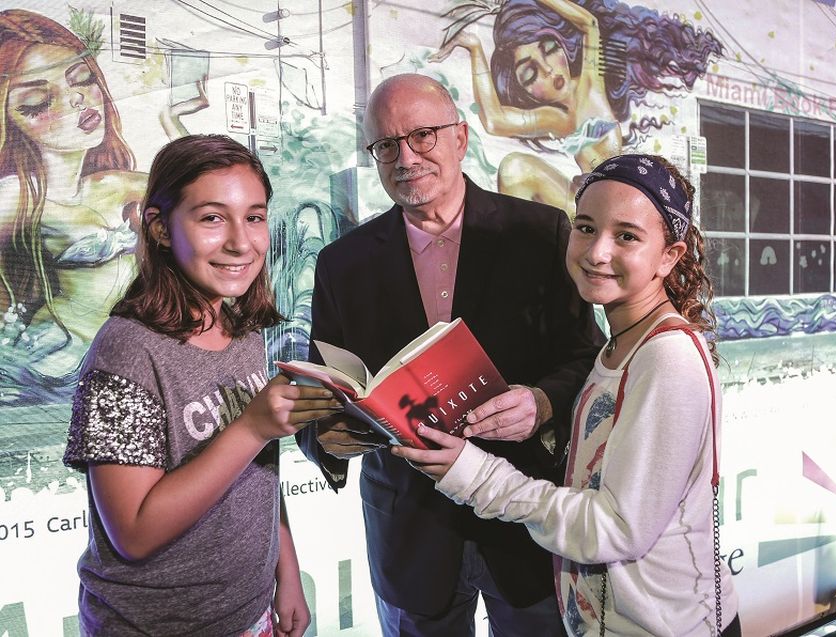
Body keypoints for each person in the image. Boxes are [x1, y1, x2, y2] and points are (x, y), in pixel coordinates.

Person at [296, 73, 602, 636]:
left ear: (461, 137)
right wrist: (328, 439)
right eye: (386, 144)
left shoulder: (540, 235)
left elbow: (587, 358)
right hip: (410, 535)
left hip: (524, 514)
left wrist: (541, 402)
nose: (405, 156)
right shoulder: (343, 263)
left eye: (422, 136)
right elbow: (322, 393)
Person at [394, 153, 741, 636]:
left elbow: (615, 528)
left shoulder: (667, 358)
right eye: (585, 227)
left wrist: (472, 474)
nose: (597, 251)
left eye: (627, 236)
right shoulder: (621, 344)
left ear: (670, 256)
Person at [62, 134, 339, 636]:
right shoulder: (127, 351)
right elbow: (135, 534)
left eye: (254, 217)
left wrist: (287, 571)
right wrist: (252, 428)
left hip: (247, 612)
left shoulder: (244, 332)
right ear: (160, 227)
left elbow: (258, 476)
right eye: (212, 217)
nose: (240, 241)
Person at [0, 9, 208, 388]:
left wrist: (169, 116)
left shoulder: (114, 183)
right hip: (56, 361)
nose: (77, 99)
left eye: (82, 78)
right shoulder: (17, 194)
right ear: (8, 119)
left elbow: (197, 194)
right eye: (37, 101)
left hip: (122, 357)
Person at [430, 0, 722, 214]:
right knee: (514, 168)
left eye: (549, 49)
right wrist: (474, 48)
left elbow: (589, 24)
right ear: (525, 90)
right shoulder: (554, 119)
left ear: (562, 45)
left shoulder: (589, 85)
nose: (547, 70)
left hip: (614, 205)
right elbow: (495, 120)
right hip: (584, 203)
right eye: (530, 73)